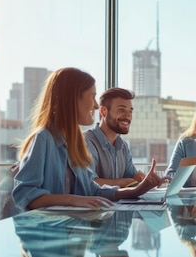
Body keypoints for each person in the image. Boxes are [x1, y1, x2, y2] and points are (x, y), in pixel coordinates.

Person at [12, 67, 163, 211]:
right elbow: (24, 193)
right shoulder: (43, 138)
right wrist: (73, 200)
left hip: (72, 230)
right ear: (72, 99)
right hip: (48, 232)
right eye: (92, 96)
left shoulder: (76, 144)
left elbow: (91, 189)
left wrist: (136, 190)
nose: (96, 105)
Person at [84, 88, 149, 188]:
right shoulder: (86, 141)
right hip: (95, 203)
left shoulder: (123, 146)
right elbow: (88, 183)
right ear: (103, 111)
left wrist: (143, 179)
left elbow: (132, 178)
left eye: (130, 111)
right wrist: (124, 183)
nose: (128, 116)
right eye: (121, 110)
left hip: (119, 203)